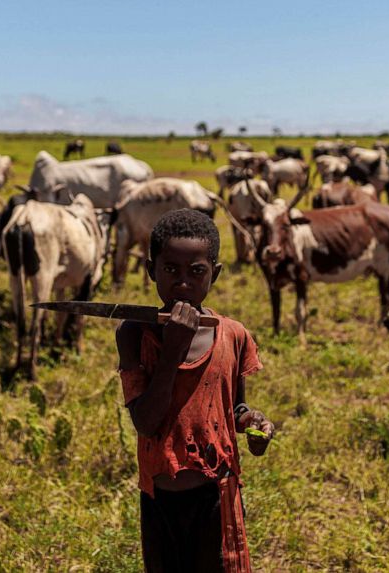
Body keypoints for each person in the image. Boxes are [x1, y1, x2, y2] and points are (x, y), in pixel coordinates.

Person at [116, 208, 275, 572]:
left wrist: (254, 422)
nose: (183, 283)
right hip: (160, 501)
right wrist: (172, 350)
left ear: (214, 274)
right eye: (170, 270)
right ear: (151, 270)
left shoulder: (232, 334)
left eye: (197, 272)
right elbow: (145, 422)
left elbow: (235, 409)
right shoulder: (133, 333)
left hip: (217, 498)